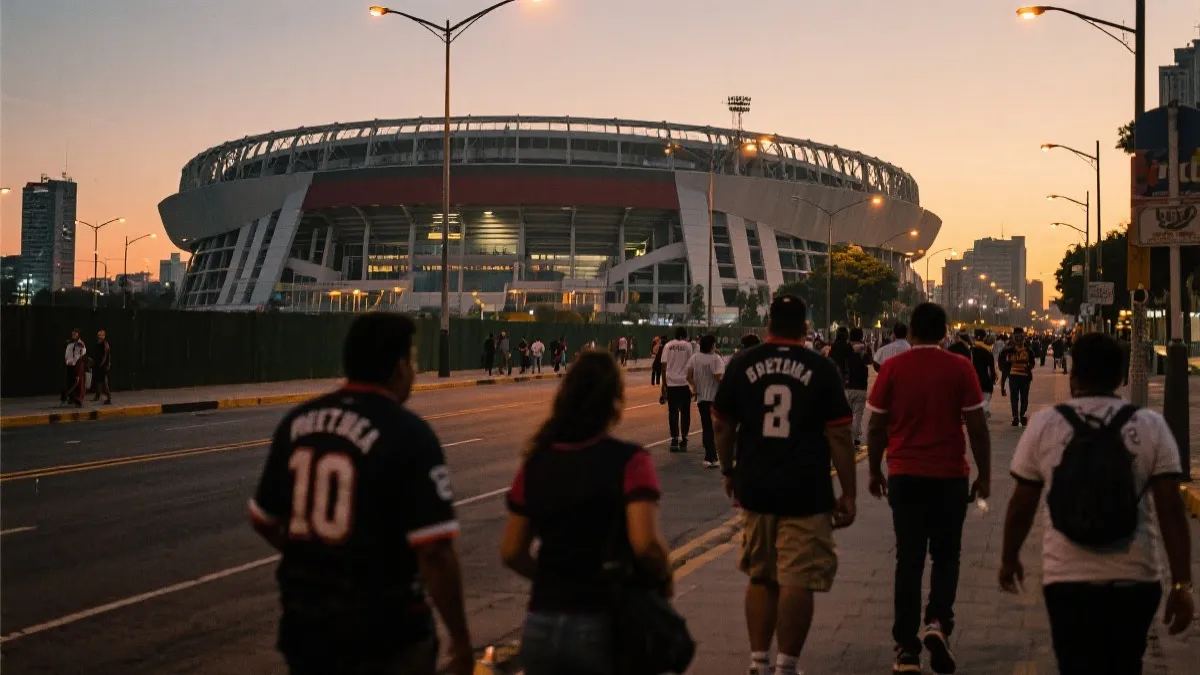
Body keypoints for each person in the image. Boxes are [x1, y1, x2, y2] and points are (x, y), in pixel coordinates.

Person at [248, 313, 473, 675]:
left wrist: (319, 554)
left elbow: (263, 518)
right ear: (400, 367)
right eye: (412, 360)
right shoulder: (409, 434)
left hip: (307, 627)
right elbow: (434, 551)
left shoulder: (298, 423)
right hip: (384, 633)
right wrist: (461, 643)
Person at [1000, 332, 1193, 675]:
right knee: (1125, 664)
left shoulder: (1046, 423)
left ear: (1074, 373)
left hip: (1067, 579)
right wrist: (1181, 583)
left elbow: (1022, 504)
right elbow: (1171, 511)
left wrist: (1009, 557)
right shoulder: (1150, 425)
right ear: (1120, 378)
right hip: (1136, 578)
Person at [500, 351, 672, 675]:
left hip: (541, 624)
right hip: (599, 622)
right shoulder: (629, 461)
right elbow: (645, 544)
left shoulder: (536, 461)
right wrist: (664, 575)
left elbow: (511, 551)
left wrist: (554, 577)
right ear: (615, 402)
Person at [713, 295, 857, 675]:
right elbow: (840, 437)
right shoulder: (821, 368)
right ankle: (786, 665)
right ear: (806, 328)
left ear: (768, 323)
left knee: (761, 573)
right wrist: (850, 492)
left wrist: (728, 469)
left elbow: (722, 425)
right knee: (799, 577)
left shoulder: (743, 363)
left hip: (755, 486)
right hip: (806, 489)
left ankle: (758, 661)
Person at [866, 303, 992, 675]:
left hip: (905, 474)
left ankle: (906, 650)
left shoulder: (892, 368)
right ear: (943, 332)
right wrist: (985, 475)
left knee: (908, 559)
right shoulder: (960, 366)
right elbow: (978, 427)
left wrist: (874, 470)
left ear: (910, 331)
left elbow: (875, 428)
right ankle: (937, 623)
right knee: (946, 556)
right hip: (950, 476)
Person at [686, 334, 725, 469]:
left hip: (702, 398)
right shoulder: (715, 359)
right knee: (717, 428)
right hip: (714, 399)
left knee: (706, 427)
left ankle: (708, 456)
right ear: (712, 345)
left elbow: (689, 376)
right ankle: (713, 456)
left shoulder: (695, 358)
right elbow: (718, 376)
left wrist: (695, 386)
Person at [661, 328, 696, 452]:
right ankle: (684, 439)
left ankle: (674, 439)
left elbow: (664, 367)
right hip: (684, 383)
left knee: (673, 412)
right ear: (684, 336)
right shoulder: (688, 346)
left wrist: (664, 385)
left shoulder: (667, 346)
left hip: (671, 384)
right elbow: (691, 365)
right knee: (685, 412)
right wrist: (694, 385)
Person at [843, 327, 873, 448]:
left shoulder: (845, 348)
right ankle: (854, 439)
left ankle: (847, 438)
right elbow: (869, 362)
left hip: (846, 385)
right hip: (860, 386)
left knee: (847, 415)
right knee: (858, 414)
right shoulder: (865, 348)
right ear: (861, 337)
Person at [1001, 328, 1035, 427]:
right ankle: (1015, 416)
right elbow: (1004, 367)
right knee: (1014, 397)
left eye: (1020, 337)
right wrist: (1002, 385)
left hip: (1025, 378)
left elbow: (1032, 362)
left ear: (1024, 337)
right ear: (1013, 337)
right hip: (1013, 377)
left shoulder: (1029, 350)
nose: (1019, 339)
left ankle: (1023, 415)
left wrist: (1029, 366)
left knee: (1024, 397)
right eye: (1016, 337)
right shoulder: (1008, 351)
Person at [970, 329, 997, 419]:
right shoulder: (987, 351)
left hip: (973, 377)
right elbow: (991, 368)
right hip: (985, 378)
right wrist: (993, 377)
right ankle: (984, 410)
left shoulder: (972, 350)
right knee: (987, 393)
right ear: (984, 337)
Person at [61, 328, 86, 407]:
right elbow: (67, 353)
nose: (73, 335)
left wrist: (74, 361)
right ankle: (71, 398)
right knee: (69, 382)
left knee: (79, 382)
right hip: (69, 365)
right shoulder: (69, 343)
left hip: (77, 365)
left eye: (75, 334)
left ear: (78, 335)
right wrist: (68, 361)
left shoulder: (80, 343)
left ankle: (79, 400)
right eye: (73, 334)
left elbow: (83, 352)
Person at [91, 329, 112, 404]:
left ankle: (109, 398)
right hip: (97, 366)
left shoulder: (105, 344)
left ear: (104, 336)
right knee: (97, 381)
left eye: (101, 335)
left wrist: (101, 365)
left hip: (103, 366)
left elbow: (105, 356)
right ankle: (97, 395)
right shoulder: (97, 343)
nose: (100, 336)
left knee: (104, 383)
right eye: (99, 335)